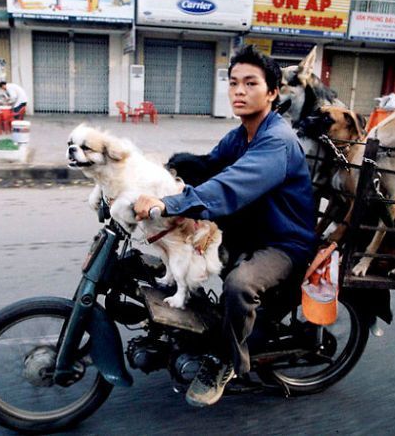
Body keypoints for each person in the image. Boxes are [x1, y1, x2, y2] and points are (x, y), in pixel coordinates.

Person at [133, 45, 317, 407]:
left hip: (282, 243)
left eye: (250, 83)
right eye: (234, 83)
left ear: (272, 92)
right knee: (175, 247)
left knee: (239, 285)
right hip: (247, 228)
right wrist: (160, 176)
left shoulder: (276, 140)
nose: (239, 91)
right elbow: (210, 166)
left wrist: (169, 204)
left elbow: (230, 185)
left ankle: (226, 362)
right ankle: (196, 321)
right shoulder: (241, 134)